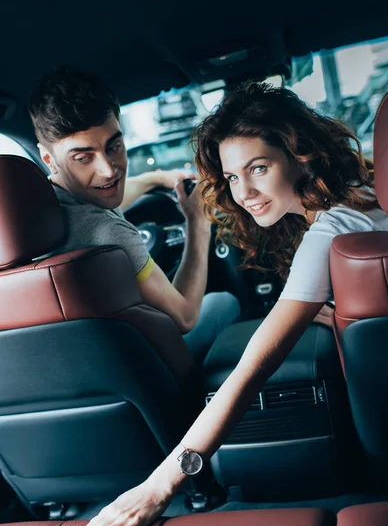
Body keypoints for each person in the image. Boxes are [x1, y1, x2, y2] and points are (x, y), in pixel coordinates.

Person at [67, 80, 388, 526]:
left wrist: (160, 485)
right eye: (231, 177)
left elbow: (250, 370)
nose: (244, 192)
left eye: (259, 168)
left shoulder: (330, 230)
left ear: (300, 155)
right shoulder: (365, 198)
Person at [28, 66, 240, 363]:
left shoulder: (34, 214)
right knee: (223, 302)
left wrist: (155, 178)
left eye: (114, 146)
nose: (108, 169)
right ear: (49, 159)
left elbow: (110, 197)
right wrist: (198, 222)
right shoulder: (110, 233)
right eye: (83, 158)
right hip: (145, 370)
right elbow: (185, 317)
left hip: (72, 376)